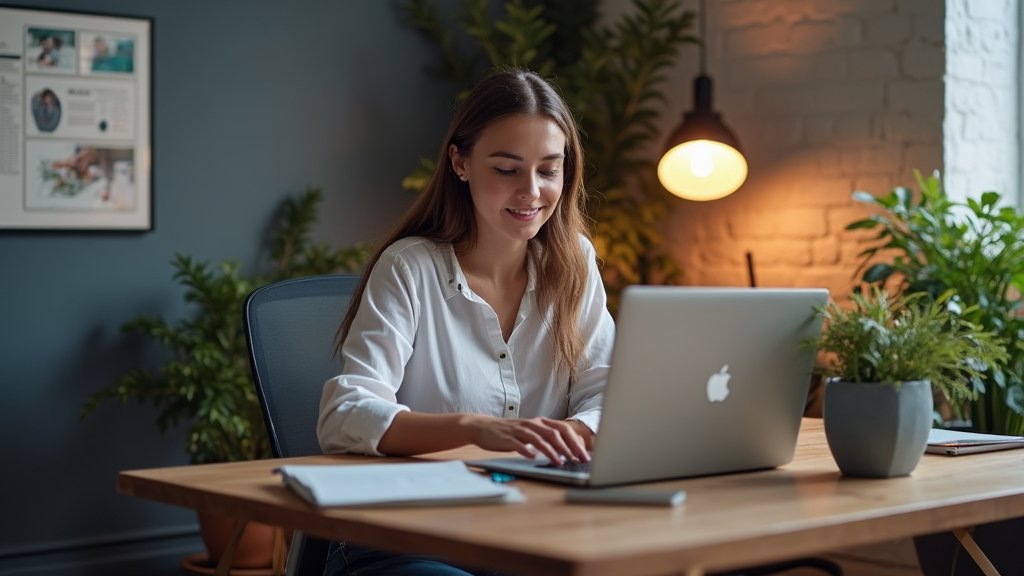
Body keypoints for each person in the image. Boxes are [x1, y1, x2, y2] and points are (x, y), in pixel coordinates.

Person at [317, 67, 616, 575]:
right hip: (412, 539)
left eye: (549, 169)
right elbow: (344, 414)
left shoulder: (574, 263)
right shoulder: (410, 268)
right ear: (460, 162)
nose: (532, 191)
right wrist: (478, 431)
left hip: (534, 531)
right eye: (506, 169)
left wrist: (575, 431)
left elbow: (608, 391)